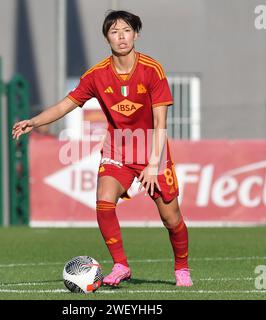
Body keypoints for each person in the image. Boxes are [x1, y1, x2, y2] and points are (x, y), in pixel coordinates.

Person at [12, 10, 192, 287]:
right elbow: (64, 105)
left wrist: (153, 164)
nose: (121, 37)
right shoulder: (96, 75)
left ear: (136, 34)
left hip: (152, 149)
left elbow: (160, 122)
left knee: (171, 218)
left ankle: (182, 268)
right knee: (104, 201)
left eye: (127, 30)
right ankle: (121, 265)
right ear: (106, 37)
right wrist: (33, 122)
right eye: (114, 32)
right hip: (117, 148)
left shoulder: (152, 70)